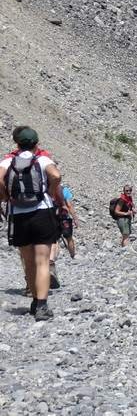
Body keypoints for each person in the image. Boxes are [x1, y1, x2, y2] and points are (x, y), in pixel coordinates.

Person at [1, 127, 63, 320]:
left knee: (28, 261)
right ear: (36, 144)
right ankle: (42, 305)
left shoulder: (9, 161)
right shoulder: (42, 160)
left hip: (18, 215)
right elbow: (56, 176)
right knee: (42, 260)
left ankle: (34, 299)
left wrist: (6, 196)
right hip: (42, 213)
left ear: (17, 143)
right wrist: (51, 193)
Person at [50, 180, 79, 289]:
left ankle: (52, 260)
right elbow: (69, 205)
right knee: (69, 238)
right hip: (65, 218)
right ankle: (72, 255)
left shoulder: (49, 190)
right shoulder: (64, 190)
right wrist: (75, 218)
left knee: (54, 240)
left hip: (52, 218)